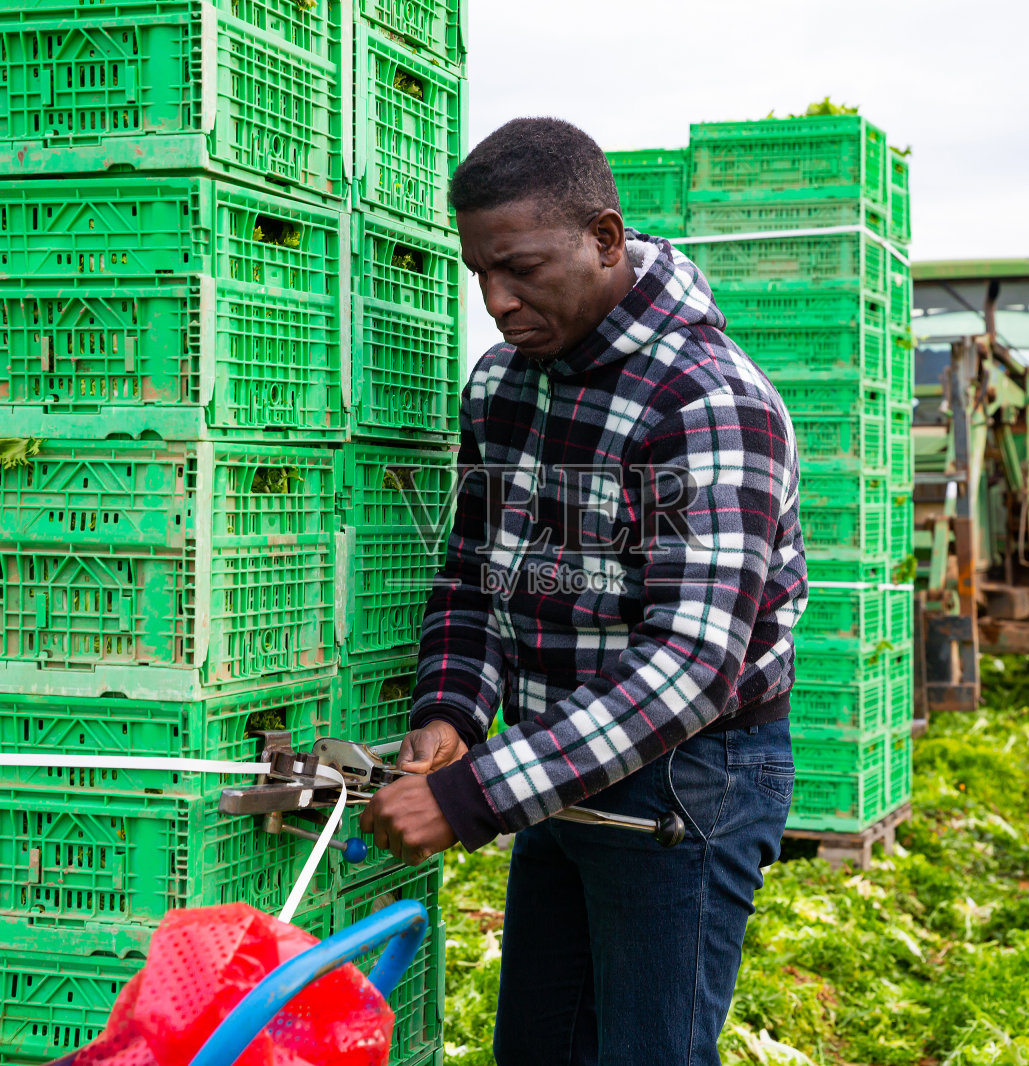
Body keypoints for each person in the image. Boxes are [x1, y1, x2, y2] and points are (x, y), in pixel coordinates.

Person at [361, 116, 807, 1066]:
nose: (495, 300)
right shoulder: (505, 387)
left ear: (605, 239)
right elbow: (476, 578)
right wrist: (451, 716)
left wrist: (473, 795)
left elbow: (691, 667)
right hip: (562, 759)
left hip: (690, 778)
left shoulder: (706, 404)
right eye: (480, 271)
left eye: (520, 267)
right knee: (539, 1047)